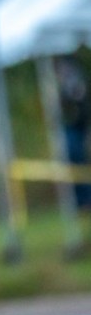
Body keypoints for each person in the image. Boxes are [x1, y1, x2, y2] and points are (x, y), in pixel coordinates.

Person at [54, 56, 91, 210]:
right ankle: (80, 201)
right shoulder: (64, 86)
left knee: (80, 164)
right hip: (73, 130)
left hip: (79, 131)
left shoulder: (76, 83)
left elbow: (81, 107)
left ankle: (85, 199)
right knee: (74, 164)